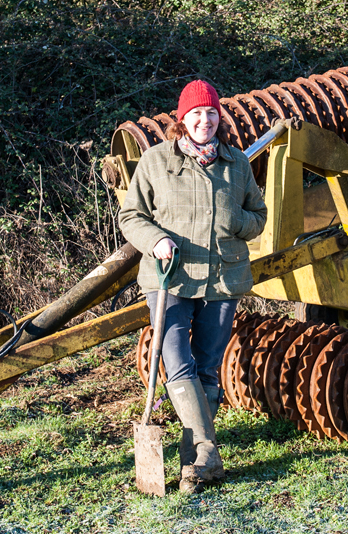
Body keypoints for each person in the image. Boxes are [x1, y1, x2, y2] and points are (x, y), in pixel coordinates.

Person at [118, 80, 267, 493]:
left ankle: (196, 465)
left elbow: (259, 214)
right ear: (182, 119)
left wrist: (235, 223)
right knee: (176, 358)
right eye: (197, 113)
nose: (205, 120)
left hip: (223, 276)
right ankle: (206, 449)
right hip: (170, 278)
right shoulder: (156, 160)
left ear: (220, 119)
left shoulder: (236, 162)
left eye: (212, 113)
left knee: (207, 365)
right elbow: (131, 216)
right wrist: (156, 240)